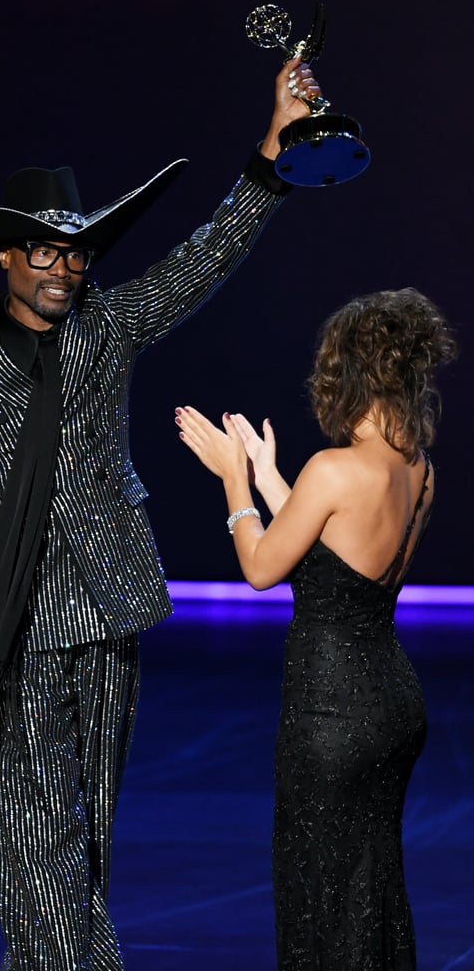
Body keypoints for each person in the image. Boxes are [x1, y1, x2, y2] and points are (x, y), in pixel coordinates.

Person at [0, 54, 319, 971]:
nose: (64, 267)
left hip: (108, 609)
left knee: (82, 833)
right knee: (31, 831)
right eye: (45, 250)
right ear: (5, 256)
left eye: (76, 251)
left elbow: (201, 261)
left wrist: (271, 153)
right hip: (8, 624)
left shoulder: (105, 327)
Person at [174, 286, 457, 970]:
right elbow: (333, 556)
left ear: (346, 373)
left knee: (320, 895)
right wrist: (273, 479)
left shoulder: (334, 468)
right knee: (368, 887)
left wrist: (234, 480)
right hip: (390, 705)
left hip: (332, 716)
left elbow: (263, 569)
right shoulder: (416, 469)